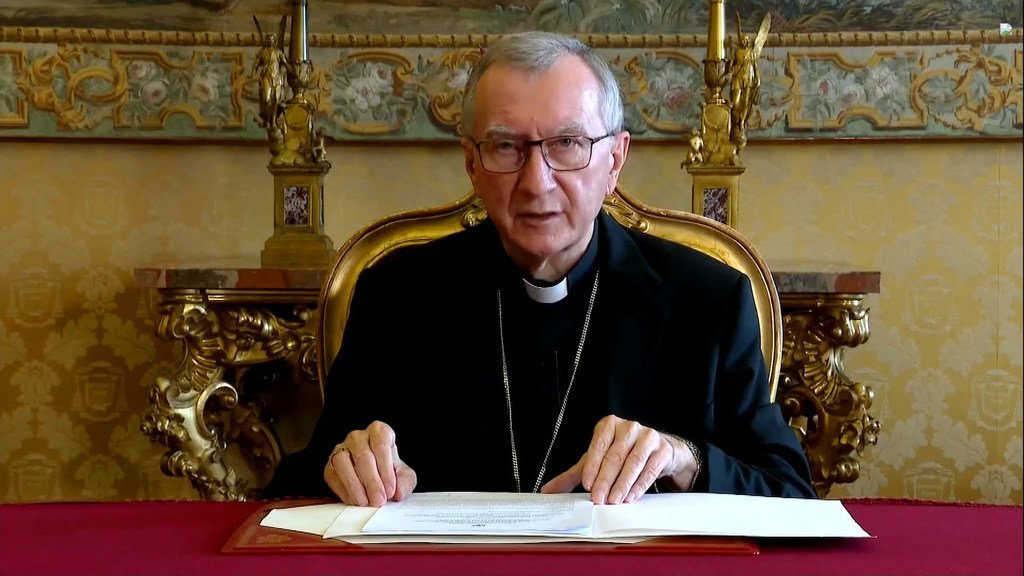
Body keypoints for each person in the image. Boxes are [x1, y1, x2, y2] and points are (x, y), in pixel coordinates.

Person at [264, 31, 814, 505]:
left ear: (615, 160)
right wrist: (346, 465)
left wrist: (684, 458)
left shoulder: (707, 300)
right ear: (472, 163)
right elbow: (304, 479)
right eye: (507, 147)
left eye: (568, 143)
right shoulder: (398, 292)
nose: (537, 182)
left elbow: (789, 491)